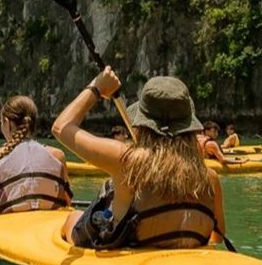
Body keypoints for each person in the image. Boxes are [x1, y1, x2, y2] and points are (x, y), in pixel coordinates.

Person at [53, 68, 226, 250]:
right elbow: (217, 236)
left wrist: (97, 87)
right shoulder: (210, 178)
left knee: (72, 218)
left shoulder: (127, 161)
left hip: (130, 257)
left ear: (144, 124)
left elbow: (61, 127)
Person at [0, 95, 73, 214]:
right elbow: (67, 200)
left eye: (1, 122)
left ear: (6, 122)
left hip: (8, 227)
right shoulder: (57, 155)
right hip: (47, 226)